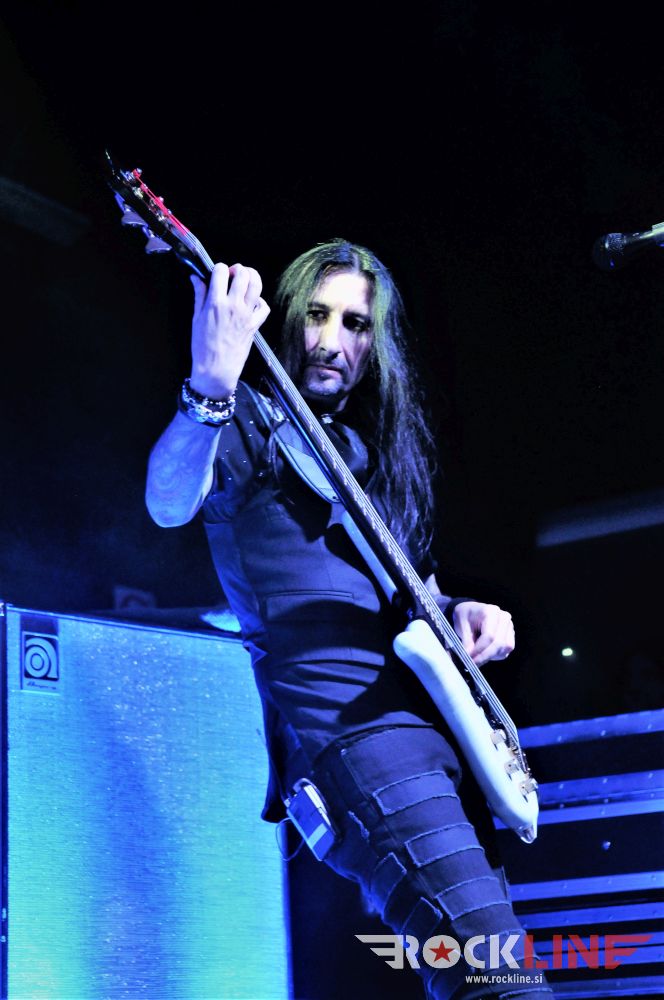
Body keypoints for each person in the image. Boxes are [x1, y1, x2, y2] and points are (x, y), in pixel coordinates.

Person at [145, 239, 551, 998]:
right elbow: (168, 502)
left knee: (482, 978)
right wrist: (210, 386)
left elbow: (410, 593)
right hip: (350, 741)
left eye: (356, 324)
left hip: (433, 740)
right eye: (317, 315)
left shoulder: (366, 452)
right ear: (286, 318)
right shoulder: (243, 423)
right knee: (505, 984)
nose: (332, 340)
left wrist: (464, 611)